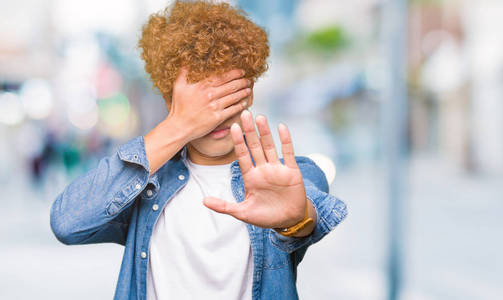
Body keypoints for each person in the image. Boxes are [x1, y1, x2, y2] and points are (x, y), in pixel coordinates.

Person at [49, 1, 348, 299]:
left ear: (249, 92)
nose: (215, 115)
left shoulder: (285, 177)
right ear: (170, 101)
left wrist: (296, 219)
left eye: (226, 95)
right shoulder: (145, 187)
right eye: (201, 100)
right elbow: (68, 223)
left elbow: (307, 206)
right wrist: (178, 126)